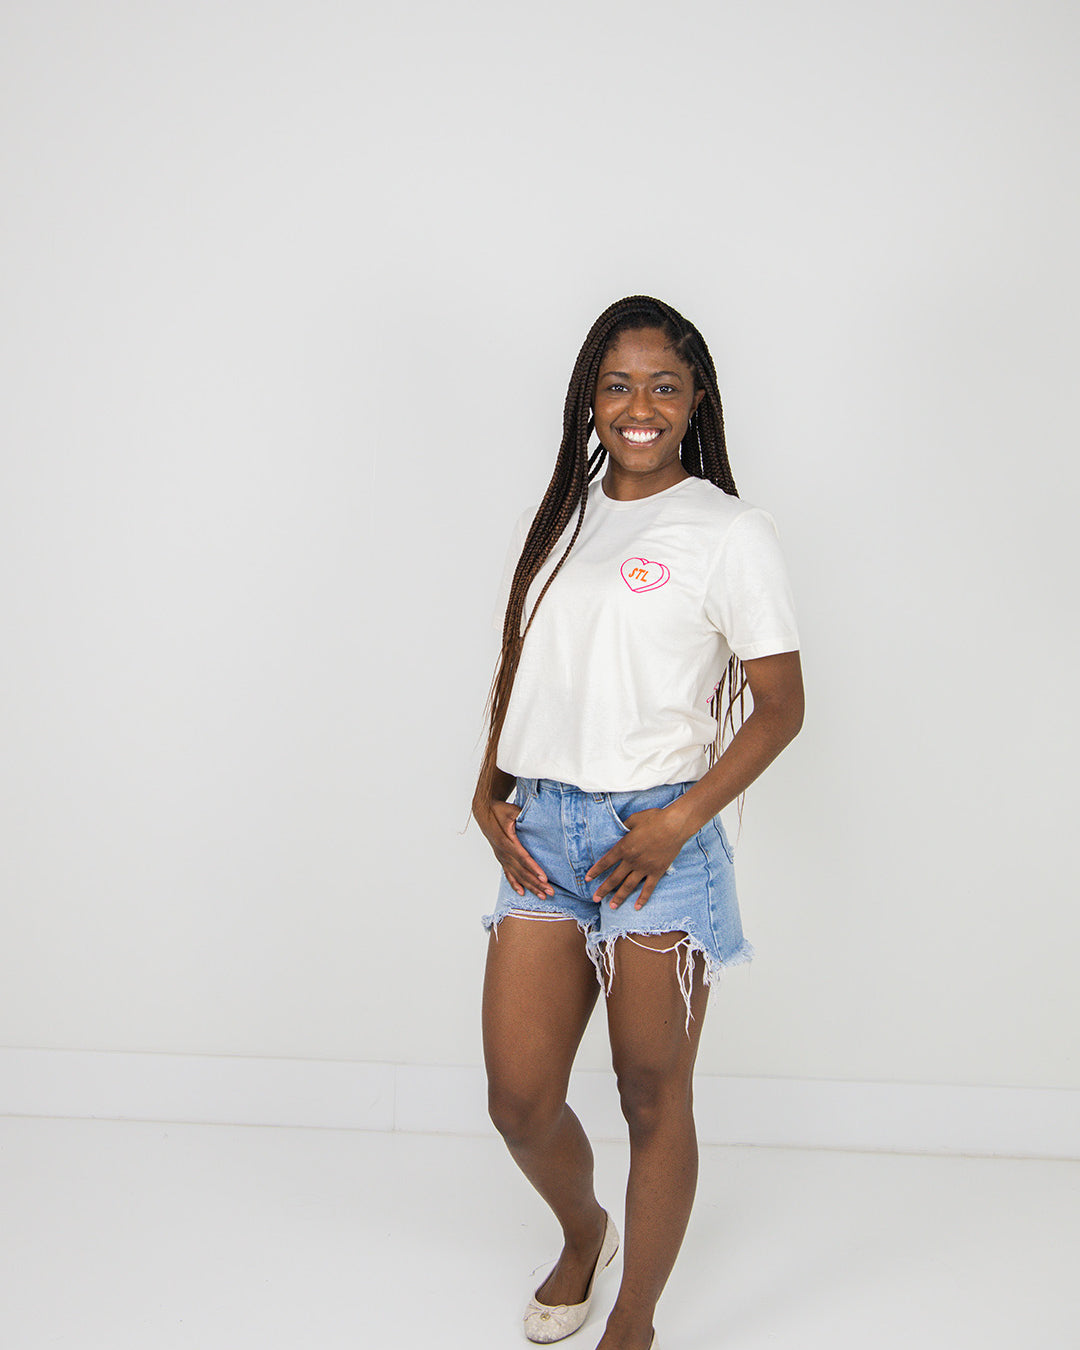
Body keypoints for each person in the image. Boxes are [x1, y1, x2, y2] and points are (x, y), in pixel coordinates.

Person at [472, 296, 804, 1350]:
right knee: (520, 1101)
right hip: (545, 829)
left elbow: (782, 704)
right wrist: (486, 784)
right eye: (618, 385)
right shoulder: (565, 515)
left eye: (664, 384)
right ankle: (586, 1230)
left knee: (651, 1095)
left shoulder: (727, 529)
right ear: (590, 401)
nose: (640, 406)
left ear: (696, 398)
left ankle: (637, 1322)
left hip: (660, 838)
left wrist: (677, 825)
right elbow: (526, 661)